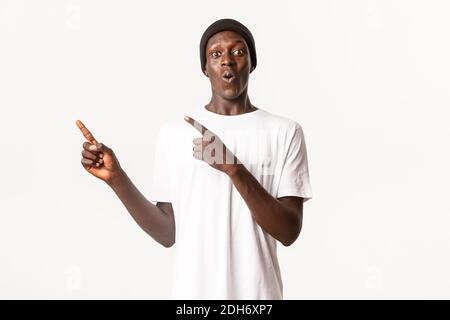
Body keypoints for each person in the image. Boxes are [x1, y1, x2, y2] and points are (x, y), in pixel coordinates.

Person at [76, 18, 313, 300]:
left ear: (252, 63)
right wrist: (117, 180)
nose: (227, 61)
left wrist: (234, 169)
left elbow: (288, 232)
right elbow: (167, 233)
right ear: (205, 67)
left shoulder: (284, 131)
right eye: (216, 54)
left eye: (238, 52)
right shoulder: (174, 134)